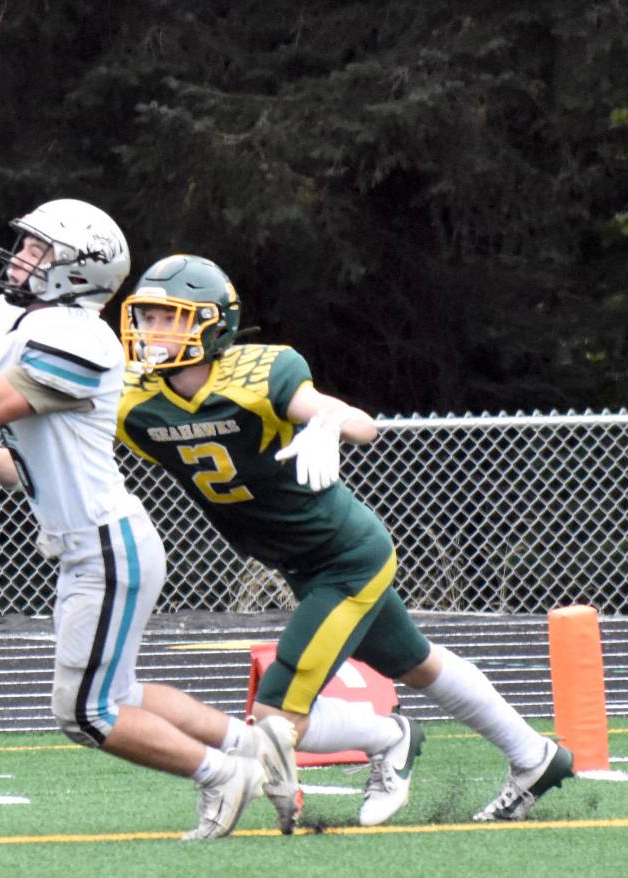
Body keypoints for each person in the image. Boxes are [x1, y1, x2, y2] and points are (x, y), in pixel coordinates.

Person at [0, 202, 300, 840]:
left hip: (107, 545)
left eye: (38, 249)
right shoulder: (3, 317)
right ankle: (252, 747)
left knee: (86, 713)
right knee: (120, 696)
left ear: (79, 271)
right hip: (91, 546)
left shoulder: (81, 338)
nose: (21, 256)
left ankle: (221, 773)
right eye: (24, 244)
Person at [110, 253, 575, 825]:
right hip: (296, 560)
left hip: (346, 556)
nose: (152, 332)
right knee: (415, 663)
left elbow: (359, 422)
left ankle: (387, 737)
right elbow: (71, 449)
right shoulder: (133, 398)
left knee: (277, 711)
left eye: (169, 318)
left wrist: (328, 422)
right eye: (148, 317)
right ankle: (533, 756)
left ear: (211, 323)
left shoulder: (259, 373)